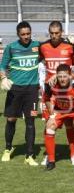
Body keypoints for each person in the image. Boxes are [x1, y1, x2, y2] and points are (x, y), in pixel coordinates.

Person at [39, 21, 74, 166]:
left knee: (70, 124)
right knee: (49, 123)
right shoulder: (43, 47)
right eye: (51, 33)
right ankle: (48, 155)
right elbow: (39, 63)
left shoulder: (70, 47)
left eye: (57, 33)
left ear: (62, 32)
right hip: (51, 92)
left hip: (67, 89)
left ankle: (72, 155)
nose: (54, 36)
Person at [0, 21, 39, 165]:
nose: (26, 37)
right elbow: (2, 66)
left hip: (32, 90)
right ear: (18, 35)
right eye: (23, 34)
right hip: (15, 90)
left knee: (31, 121)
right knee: (11, 119)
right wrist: (3, 77)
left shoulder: (37, 46)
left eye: (28, 33)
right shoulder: (11, 47)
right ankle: (8, 149)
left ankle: (29, 155)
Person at [43, 64, 74, 171]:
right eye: (60, 76)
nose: (62, 79)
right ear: (56, 76)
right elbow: (47, 98)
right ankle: (51, 161)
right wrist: (52, 114)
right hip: (60, 110)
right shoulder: (50, 84)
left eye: (65, 76)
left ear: (69, 76)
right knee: (49, 128)